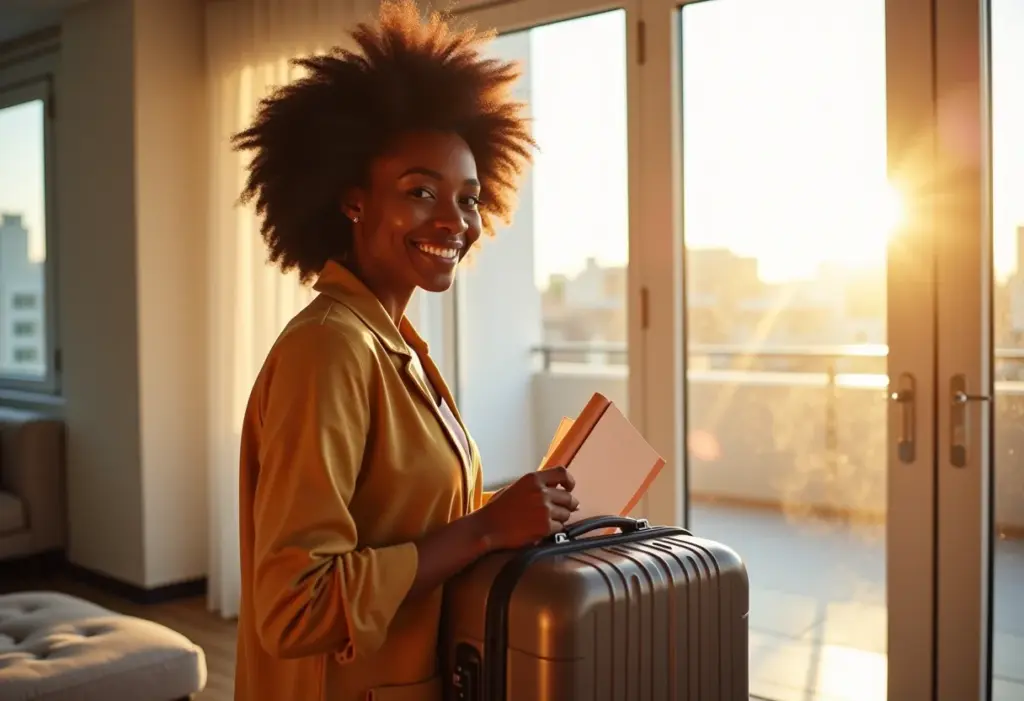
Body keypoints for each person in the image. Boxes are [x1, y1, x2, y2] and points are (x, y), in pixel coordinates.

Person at [232, 2, 580, 700]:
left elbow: (399, 520)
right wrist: (483, 530)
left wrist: (509, 508)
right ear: (353, 201)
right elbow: (295, 604)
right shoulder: (328, 350)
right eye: (421, 191)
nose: (454, 221)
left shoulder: (394, 344)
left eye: (470, 198)